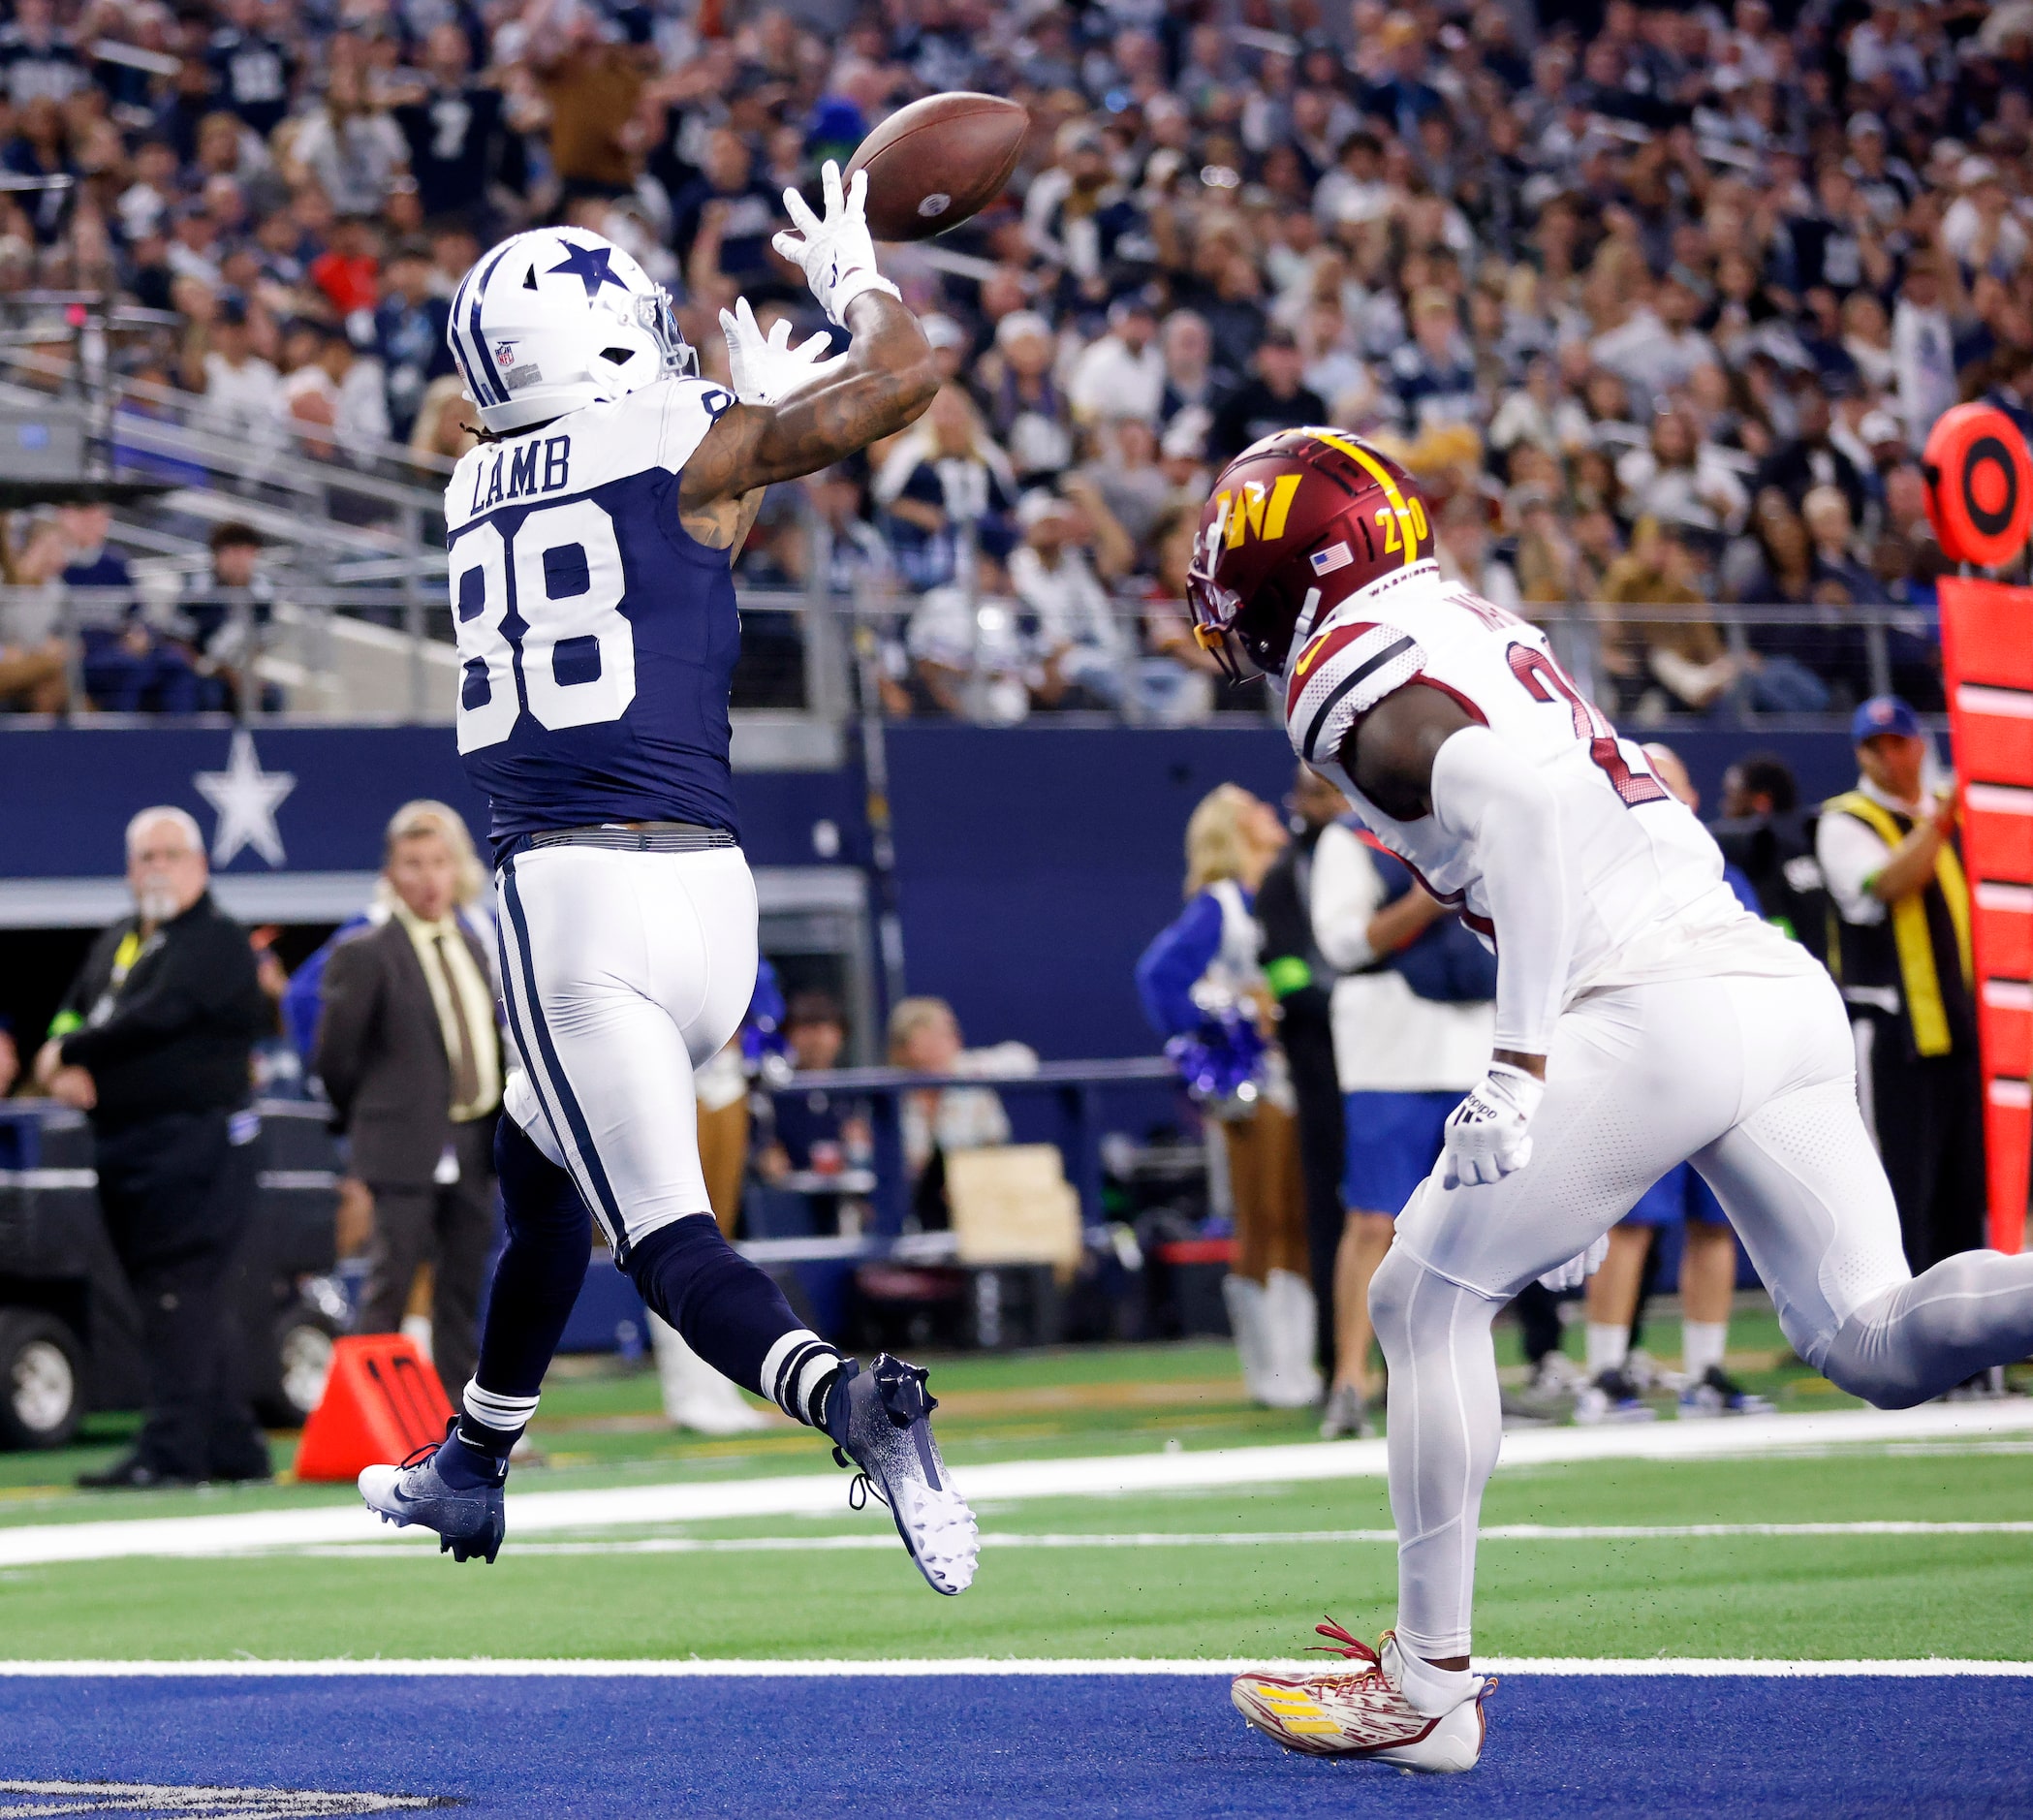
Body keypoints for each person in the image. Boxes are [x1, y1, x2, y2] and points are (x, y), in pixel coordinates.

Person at [1186, 429, 2033, 1772]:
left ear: (1290, 559)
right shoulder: (1458, 611)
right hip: (1759, 976)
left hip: (1645, 1001)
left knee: (1418, 1296)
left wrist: (1522, 1071)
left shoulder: (1341, 674)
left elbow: (1517, 817)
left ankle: (1425, 1685)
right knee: (1873, 1341)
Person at [358, 177, 978, 1597]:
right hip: (713, 902)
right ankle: (475, 1458)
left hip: (572, 911)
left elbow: (639, 536)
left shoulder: (468, 487)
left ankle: (854, 1402)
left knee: (663, 1238)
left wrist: (741, 446)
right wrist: (853, 284)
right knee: (536, 1176)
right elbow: (895, 383)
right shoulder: (676, 442)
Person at [35, 807, 270, 1488]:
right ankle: (232, 1447)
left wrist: (66, 1053)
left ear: (200, 865)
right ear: (129, 868)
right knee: (178, 1298)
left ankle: (169, 1452)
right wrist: (62, 1048)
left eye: (171, 854)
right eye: (146, 857)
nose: (158, 868)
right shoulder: (118, 940)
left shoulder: (217, 940)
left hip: (193, 1146)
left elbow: (156, 1016)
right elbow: (76, 1007)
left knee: (179, 1294)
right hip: (126, 1145)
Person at [1575, 744, 1773, 1424]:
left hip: (1716, 1064)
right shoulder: (1606, 871)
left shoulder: (1721, 873)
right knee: (1630, 1226)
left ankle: (1706, 1369)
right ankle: (1603, 1374)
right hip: (1643, 1067)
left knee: (1715, 1223)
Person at [1308, 800, 1496, 1440]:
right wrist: (1436, 896)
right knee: (1372, 1222)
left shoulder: (1472, 830)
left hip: (1478, 1046)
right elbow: (1343, 943)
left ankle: (1458, 1381)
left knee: (1471, 1230)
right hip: (1390, 1053)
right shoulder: (1352, 839)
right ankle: (1350, 1382)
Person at [1135, 784, 1318, 1409]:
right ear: (1234, 832)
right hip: (1251, 1084)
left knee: (1297, 1219)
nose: (1272, 814)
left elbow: (1290, 974)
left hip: (1296, 1074)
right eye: (1256, 812)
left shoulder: (1281, 889)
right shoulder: (1220, 903)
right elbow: (1160, 980)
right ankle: (1269, 1376)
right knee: (1262, 1219)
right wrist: (1234, 1016)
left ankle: (1298, 1366)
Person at [314, 800, 502, 1406]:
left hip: (476, 1142)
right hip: (400, 1144)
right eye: (413, 863)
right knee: (389, 1286)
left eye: (439, 862)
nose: (427, 877)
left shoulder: (474, 944)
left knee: (463, 1287)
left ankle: (461, 1426)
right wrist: (371, 1123)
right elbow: (335, 1057)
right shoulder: (366, 951)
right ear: (391, 873)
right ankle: (362, 1419)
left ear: (458, 869)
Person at [1815, 697, 1985, 1276]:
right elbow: (1888, 884)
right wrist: (1942, 817)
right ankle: (1903, 1331)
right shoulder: (1846, 819)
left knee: (1967, 1194)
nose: (1889, 758)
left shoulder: (1954, 817)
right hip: (1895, 1037)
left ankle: (1974, 1347)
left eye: (1898, 743)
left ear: (1919, 744)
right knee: (1901, 1190)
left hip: (1965, 1033)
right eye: (1874, 747)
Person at [1253, 766, 1351, 1388]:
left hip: (1395, 1060)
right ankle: (1333, 1358)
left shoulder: (1391, 857)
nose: (1313, 805)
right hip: (1323, 1067)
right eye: (1307, 794)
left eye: (1325, 791)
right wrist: (1357, 1003)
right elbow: (1285, 974)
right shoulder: (1285, 876)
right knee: (1331, 1213)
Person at [887, 996, 1035, 1231]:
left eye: (947, 1033)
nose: (950, 1040)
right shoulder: (887, 1095)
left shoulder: (971, 1081)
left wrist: (968, 1184)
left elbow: (1024, 1061)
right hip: (906, 1216)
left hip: (977, 1209)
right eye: (931, 1034)